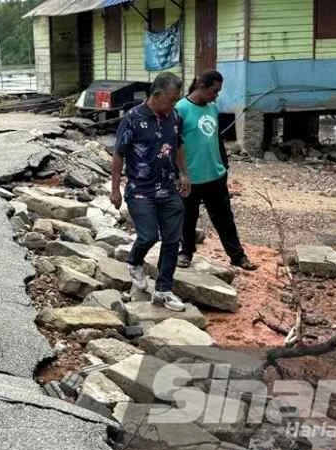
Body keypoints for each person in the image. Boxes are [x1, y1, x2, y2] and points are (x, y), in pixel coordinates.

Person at [110, 72, 190, 312]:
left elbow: (178, 145)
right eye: (172, 99)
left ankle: (163, 290)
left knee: (173, 240)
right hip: (140, 190)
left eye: (176, 100)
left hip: (168, 188)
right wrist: (115, 189)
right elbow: (119, 153)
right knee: (148, 236)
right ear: (157, 95)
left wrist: (184, 174)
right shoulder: (133, 119)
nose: (174, 104)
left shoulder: (174, 116)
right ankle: (134, 261)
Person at [175, 70, 257, 271]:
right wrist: (180, 173)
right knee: (187, 218)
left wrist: (224, 165)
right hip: (190, 178)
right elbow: (175, 143)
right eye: (214, 90)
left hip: (215, 175)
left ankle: (237, 256)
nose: (217, 95)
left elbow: (216, 139)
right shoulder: (181, 109)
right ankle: (186, 252)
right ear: (201, 87)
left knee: (225, 219)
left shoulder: (212, 108)